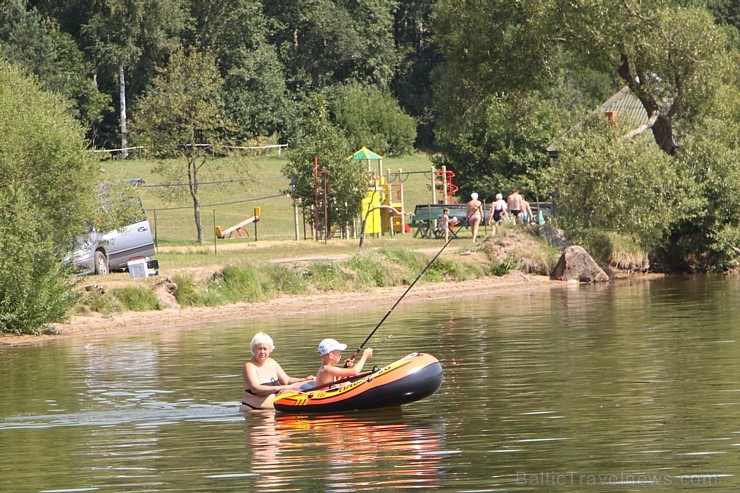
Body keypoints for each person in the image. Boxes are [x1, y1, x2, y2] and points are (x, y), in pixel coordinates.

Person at [241, 332, 315, 411]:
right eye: (259, 349)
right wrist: (281, 388)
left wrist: (304, 380)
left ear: (270, 350)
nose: (262, 352)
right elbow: (256, 389)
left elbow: (286, 380)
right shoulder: (249, 366)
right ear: (253, 349)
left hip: (273, 411)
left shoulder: (272, 362)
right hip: (254, 411)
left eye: (265, 349)